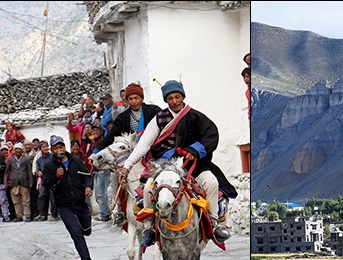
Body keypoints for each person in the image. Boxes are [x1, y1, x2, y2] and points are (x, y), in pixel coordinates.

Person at [118, 80, 237, 247]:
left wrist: (195, 151)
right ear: (166, 100)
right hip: (165, 167)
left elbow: (211, 135)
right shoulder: (159, 119)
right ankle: (149, 228)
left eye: (177, 97)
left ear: (183, 97)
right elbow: (144, 144)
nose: (174, 101)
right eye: (170, 98)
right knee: (147, 189)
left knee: (211, 182)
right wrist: (127, 166)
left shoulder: (195, 117)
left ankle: (214, 222)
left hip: (194, 165)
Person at [92, 83, 162, 225]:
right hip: (131, 155)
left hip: (154, 152)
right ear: (126, 101)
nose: (134, 101)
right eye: (130, 99)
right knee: (115, 178)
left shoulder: (154, 111)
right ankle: (120, 210)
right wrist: (96, 150)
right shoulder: (123, 117)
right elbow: (111, 135)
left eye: (136, 98)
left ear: (142, 98)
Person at [43, 135, 94, 260]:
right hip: (64, 205)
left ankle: (85, 231)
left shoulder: (76, 161)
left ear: (65, 147)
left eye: (61, 147)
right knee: (75, 230)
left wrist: (89, 187)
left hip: (80, 202)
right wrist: (56, 176)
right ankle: (85, 259)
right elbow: (46, 185)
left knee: (86, 230)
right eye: (55, 148)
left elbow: (87, 177)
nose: (59, 150)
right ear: (52, 150)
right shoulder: (49, 166)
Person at [87, 124, 110, 222]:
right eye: (94, 130)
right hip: (96, 171)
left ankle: (104, 214)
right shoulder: (93, 142)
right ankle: (104, 212)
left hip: (102, 171)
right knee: (98, 194)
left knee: (102, 193)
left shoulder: (102, 142)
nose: (95, 132)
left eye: (97, 130)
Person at [4, 143, 33, 222]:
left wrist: (30, 182)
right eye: (16, 149)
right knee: (16, 201)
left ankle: (27, 216)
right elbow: (7, 172)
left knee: (26, 201)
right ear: (14, 150)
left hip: (24, 182)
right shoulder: (10, 159)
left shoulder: (26, 159)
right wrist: (6, 182)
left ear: (22, 150)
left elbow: (29, 171)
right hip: (14, 183)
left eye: (19, 149)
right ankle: (19, 216)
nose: (18, 151)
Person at [33, 140, 58, 222]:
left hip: (53, 180)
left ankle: (54, 215)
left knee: (53, 199)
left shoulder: (53, 157)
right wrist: (38, 172)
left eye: (46, 146)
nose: (45, 148)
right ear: (40, 149)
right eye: (43, 147)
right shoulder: (39, 160)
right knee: (41, 196)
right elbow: (37, 170)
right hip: (44, 181)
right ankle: (42, 214)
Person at [0, 144, 10, 222]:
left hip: (0, 181)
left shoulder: (0, 155)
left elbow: (4, 166)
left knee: (3, 199)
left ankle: (5, 215)